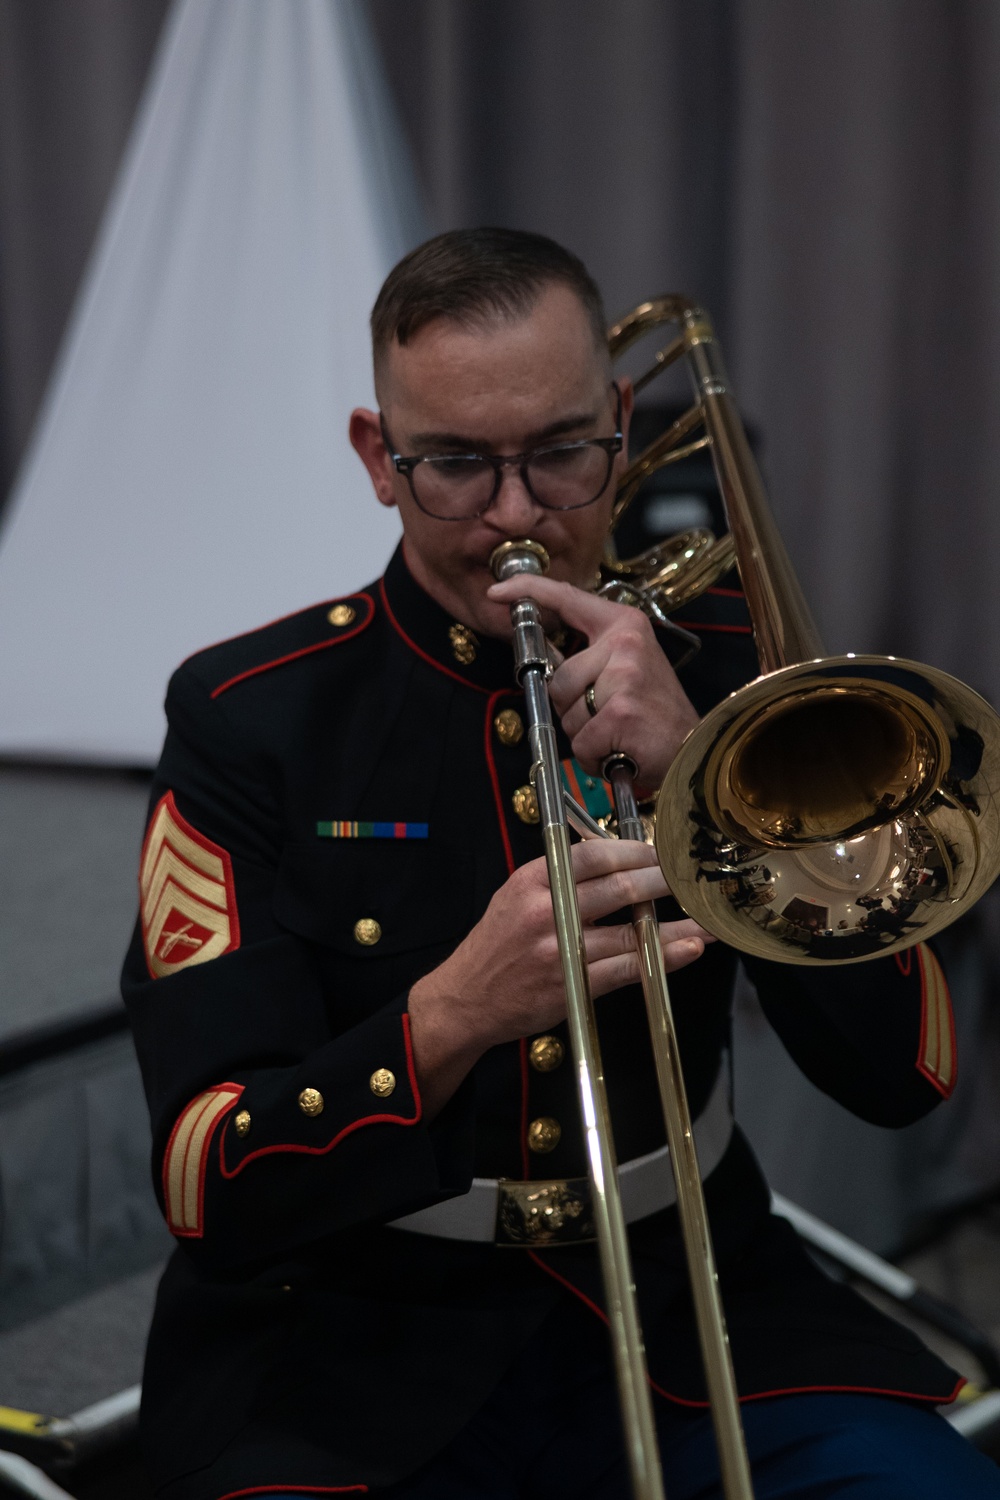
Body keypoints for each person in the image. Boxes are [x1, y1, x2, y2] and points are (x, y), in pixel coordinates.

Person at [122, 228, 1000, 1499]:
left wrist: (715, 782)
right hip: (352, 1346)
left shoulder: (738, 667)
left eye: (560, 454)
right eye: (458, 468)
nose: (517, 515)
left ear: (622, 420)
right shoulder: (249, 715)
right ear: (381, 457)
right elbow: (207, 1180)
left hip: (702, 1308)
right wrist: (450, 1016)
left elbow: (908, 1073)